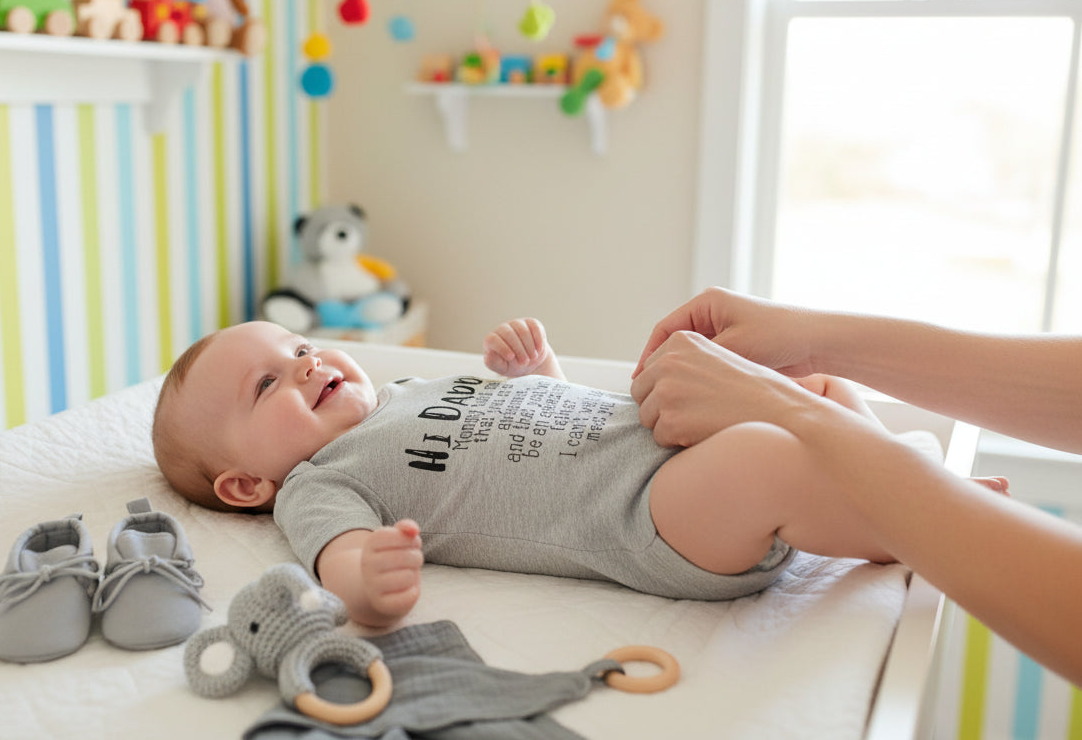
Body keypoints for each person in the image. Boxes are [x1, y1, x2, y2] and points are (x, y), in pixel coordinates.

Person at [152, 317, 1008, 628]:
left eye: (298, 348)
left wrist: (543, 372)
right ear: (243, 486)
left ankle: (914, 487)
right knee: (768, 460)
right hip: (647, 516)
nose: (304, 365)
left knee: (813, 388)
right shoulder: (318, 482)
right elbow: (335, 555)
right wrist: (367, 584)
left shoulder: (412, 387)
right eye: (268, 384)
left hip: (662, 438)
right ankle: (928, 521)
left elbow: (548, 421)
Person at [629, 286, 1082, 687]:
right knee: (805, 404)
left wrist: (788, 407)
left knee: (771, 453)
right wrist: (815, 340)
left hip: (665, 486)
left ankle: (884, 511)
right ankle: (895, 493)